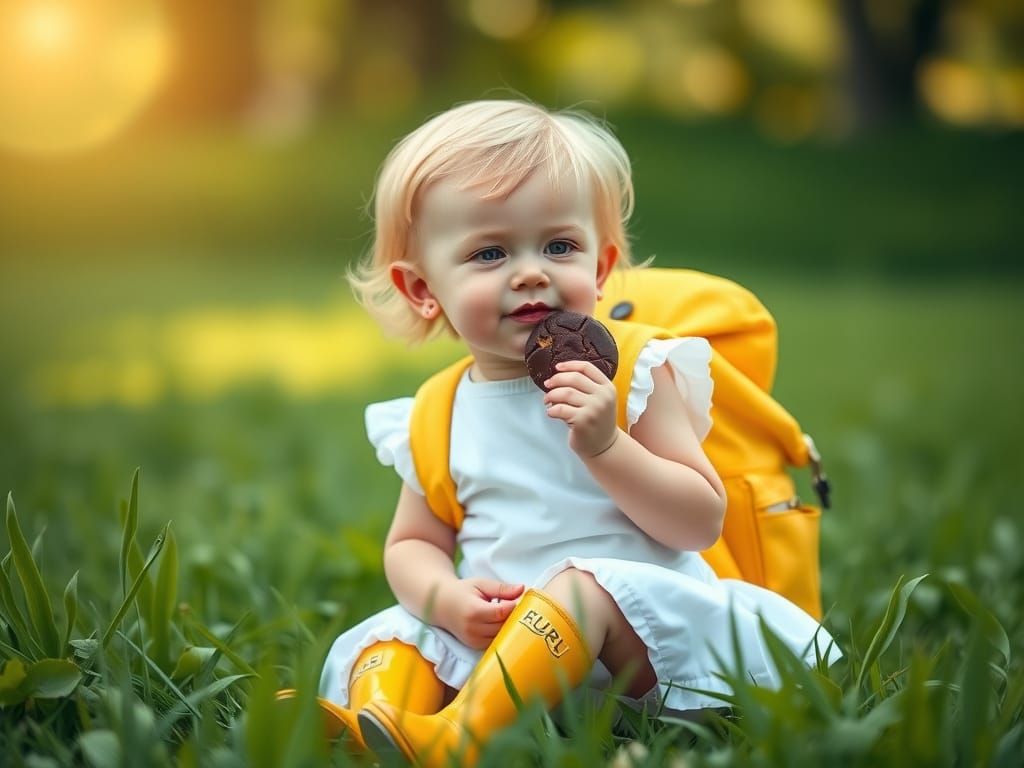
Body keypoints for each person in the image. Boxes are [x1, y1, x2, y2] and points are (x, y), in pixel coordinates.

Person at [318, 99, 836, 766]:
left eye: (558, 246)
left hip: (643, 644)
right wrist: (446, 598)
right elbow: (413, 543)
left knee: (579, 588)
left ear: (598, 268)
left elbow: (699, 520)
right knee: (397, 633)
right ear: (422, 290)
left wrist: (607, 446)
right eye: (489, 252)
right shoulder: (437, 408)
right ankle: (377, 720)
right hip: (509, 643)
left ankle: (457, 739)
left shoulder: (636, 374)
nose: (531, 271)